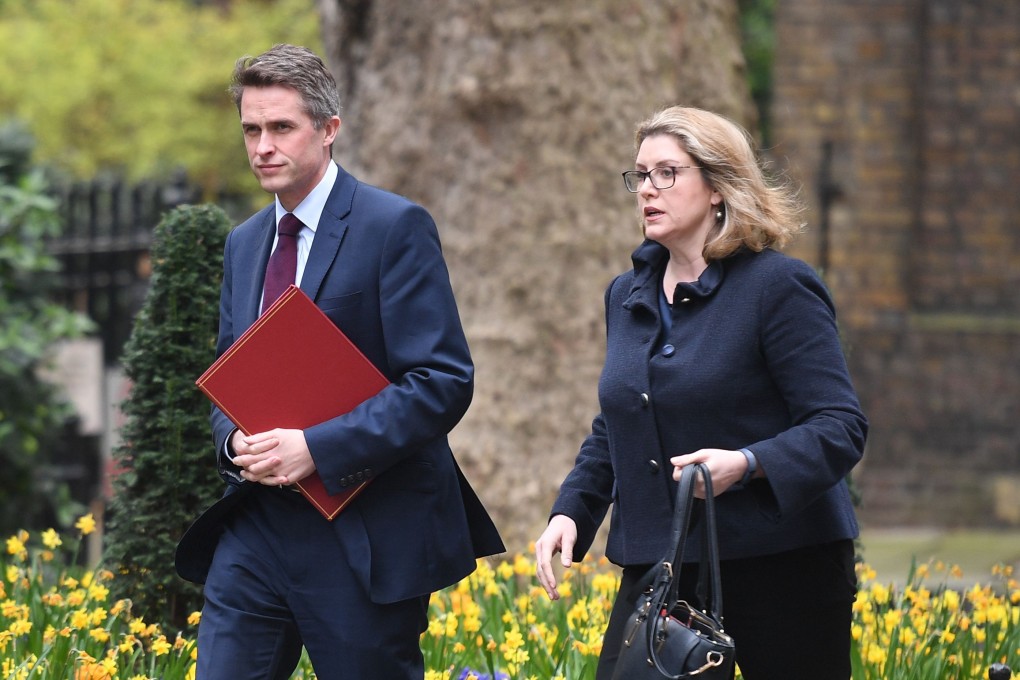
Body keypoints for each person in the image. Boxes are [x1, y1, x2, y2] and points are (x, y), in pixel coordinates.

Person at [174, 44, 504, 679]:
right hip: (255, 526)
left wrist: (317, 449)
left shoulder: (394, 226)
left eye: (281, 127)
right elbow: (227, 376)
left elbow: (442, 382)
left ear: (328, 131)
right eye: (251, 129)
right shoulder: (244, 243)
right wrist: (234, 440)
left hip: (365, 530)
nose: (262, 145)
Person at [534, 105, 867, 680]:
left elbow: (840, 425)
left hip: (783, 567)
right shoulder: (627, 295)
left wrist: (747, 463)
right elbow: (617, 421)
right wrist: (572, 511)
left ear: (717, 187)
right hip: (659, 567)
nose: (647, 190)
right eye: (639, 175)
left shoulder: (778, 287)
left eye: (667, 173)